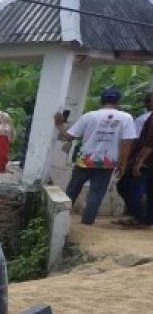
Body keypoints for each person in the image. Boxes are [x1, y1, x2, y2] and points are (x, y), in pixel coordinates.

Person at [54, 87, 139, 225]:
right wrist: (123, 164)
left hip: (85, 160)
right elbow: (127, 142)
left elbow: (69, 137)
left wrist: (59, 125)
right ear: (118, 102)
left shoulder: (89, 116)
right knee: (97, 193)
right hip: (107, 162)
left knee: (72, 189)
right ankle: (87, 223)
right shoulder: (126, 117)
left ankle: (60, 220)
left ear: (101, 100)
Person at [116, 91, 153, 226]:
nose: (146, 104)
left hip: (146, 161)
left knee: (125, 186)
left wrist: (137, 161)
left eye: (148, 101)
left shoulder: (144, 118)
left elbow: (143, 141)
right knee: (150, 190)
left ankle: (137, 216)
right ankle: (147, 219)